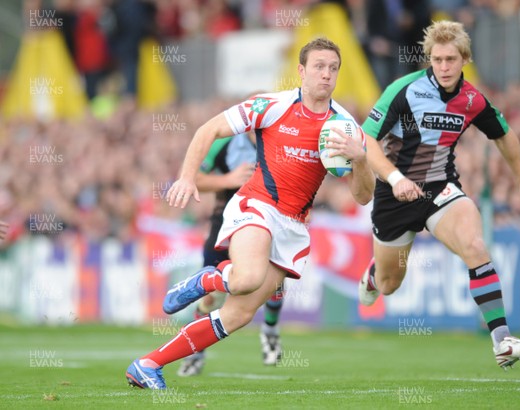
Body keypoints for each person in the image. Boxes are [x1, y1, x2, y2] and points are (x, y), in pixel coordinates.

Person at [126, 37, 375, 389]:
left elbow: (364, 196)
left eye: (333, 68)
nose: (327, 75)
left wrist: (361, 159)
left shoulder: (345, 126)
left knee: (239, 314)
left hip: (294, 226)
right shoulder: (272, 105)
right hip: (255, 205)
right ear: (301, 71)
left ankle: (147, 364)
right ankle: (206, 280)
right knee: (245, 278)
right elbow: (208, 129)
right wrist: (186, 177)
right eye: (319, 67)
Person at [358, 20, 520, 369]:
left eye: (451, 59)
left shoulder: (472, 99)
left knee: (475, 246)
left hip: (441, 187)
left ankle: (502, 340)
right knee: (387, 285)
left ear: (464, 59)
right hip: (394, 192)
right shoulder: (404, 89)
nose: (444, 67)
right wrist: (395, 178)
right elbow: (365, 139)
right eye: (438, 59)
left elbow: (503, 135)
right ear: (429, 58)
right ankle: (372, 273)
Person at [175, 131, 287, 377]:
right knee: (212, 298)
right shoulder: (224, 144)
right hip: (226, 220)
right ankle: (196, 352)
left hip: (268, 223)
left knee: (274, 280)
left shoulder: (284, 141)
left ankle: (270, 330)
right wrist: (228, 180)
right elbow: (192, 179)